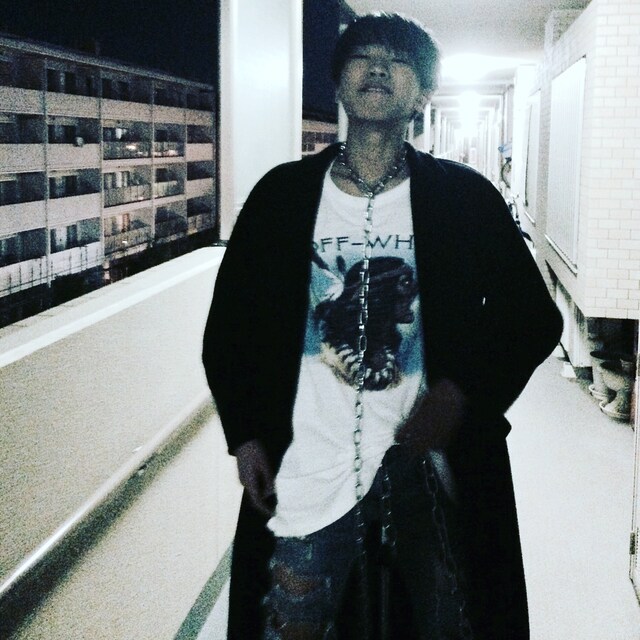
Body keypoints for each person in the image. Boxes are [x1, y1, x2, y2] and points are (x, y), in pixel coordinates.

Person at [203, 12, 563, 640]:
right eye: (361, 56)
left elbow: (533, 317)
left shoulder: (464, 197)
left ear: (422, 95)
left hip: (432, 471)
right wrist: (246, 435)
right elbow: (229, 327)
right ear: (338, 83)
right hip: (307, 473)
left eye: (397, 60)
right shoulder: (281, 197)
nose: (376, 67)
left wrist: (460, 394)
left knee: (451, 622)